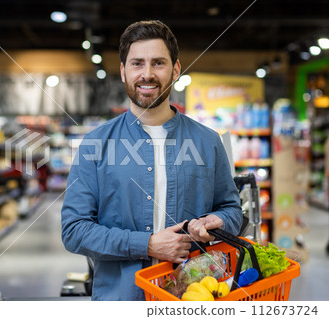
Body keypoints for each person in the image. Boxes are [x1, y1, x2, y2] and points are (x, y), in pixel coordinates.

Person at [61, 20, 242, 301]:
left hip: (192, 297)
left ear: (176, 70)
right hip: (120, 300)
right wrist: (147, 244)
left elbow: (231, 210)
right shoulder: (95, 144)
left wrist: (217, 221)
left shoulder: (208, 141)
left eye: (158, 63)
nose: (147, 74)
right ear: (123, 71)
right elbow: (74, 230)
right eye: (137, 64)